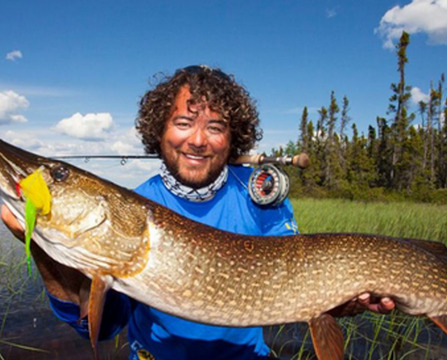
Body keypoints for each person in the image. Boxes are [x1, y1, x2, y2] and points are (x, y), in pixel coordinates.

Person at [1, 65, 394, 360]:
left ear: (232, 137)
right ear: (160, 131)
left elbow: (303, 294)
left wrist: (346, 302)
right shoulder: (135, 207)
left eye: (216, 127)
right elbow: (102, 327)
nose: (198, 140)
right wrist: (40, 245)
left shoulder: (260, 197)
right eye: (184, 122)